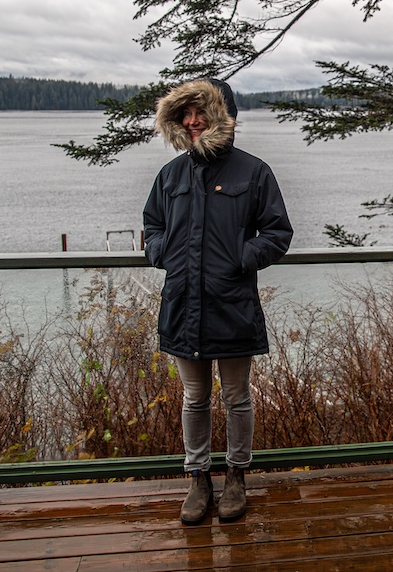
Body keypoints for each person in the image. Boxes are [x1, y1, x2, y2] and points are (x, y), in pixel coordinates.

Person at [142, 78, 293, 524]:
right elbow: (152, 225)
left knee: (236, 396)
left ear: (222, 114)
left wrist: (240, 259)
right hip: (181, 303)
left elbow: (278, 233)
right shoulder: (170, 175)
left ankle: (236, 477)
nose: (191, 121)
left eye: (199, 112)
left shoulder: (254, 172)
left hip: (232, 303)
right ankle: (198, 479)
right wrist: (160, 252)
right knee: (193, 398)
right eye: (184, 114)